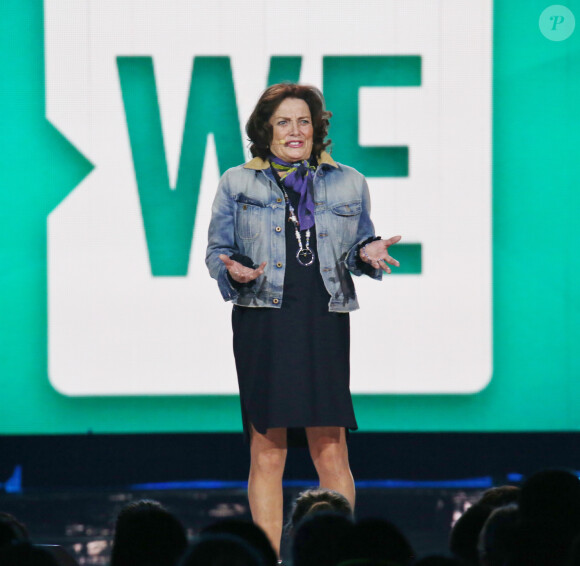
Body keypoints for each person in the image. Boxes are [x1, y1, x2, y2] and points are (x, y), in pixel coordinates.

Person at [206, 82, 401, 555]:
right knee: (266, 451)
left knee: (330, 448)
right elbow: (217, 252)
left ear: (317, 129)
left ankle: (339, 556)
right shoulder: (237, 181)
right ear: (265, 130)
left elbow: (356, 250)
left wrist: (367, 253)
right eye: (283, 122)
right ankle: (267, 557)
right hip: (263, 320)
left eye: (304, 121)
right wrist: (231, 268)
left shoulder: (349, 180)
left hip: (322, 317)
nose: (295, 131)